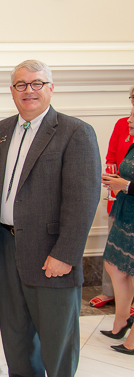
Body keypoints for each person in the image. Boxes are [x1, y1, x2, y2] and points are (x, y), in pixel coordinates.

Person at [0, 60, 101, 376]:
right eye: (21, 84)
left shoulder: (75, 132)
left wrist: (65, 254)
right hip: (5, 248)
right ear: (12, 91)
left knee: (57, 340)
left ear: (50, 88)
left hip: (51, 255)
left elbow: (83, 201)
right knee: (15, 335)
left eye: (36, 83)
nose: (28, 91)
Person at [89, 87, 134, 311]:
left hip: (128, 195)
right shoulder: (122, 124)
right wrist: (114, 183)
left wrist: (125, 185)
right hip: (120, 200)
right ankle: (114, 299)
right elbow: (112, 156)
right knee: (113, 257)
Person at [99, 106, 134, 355]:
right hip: (125, 212)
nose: (129, 120)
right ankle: (122, 320)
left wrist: (127, 185)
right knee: (115, 266)